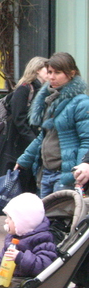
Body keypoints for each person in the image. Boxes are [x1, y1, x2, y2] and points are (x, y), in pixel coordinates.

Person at [0, 56, 48, 231]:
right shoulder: (24, 89)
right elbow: (19, 119)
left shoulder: (45, 91)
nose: (50, 74)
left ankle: (23, 222)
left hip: (30, 144)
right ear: (37, 70)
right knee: (7, 181)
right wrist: (34, 140)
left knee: (28, 184)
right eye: (48, 70)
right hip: (14, 144)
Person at [16, 52, 89, 198]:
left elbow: (86, 140)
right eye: (49, 72)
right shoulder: (51, 100)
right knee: (46, 217)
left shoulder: (81, 103)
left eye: (57, 72)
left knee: (60, 218)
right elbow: (43, 136)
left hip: (66, 174)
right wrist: (24, 159)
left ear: (71, 73)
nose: (51, 77)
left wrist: (80, 172)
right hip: (46, 171)